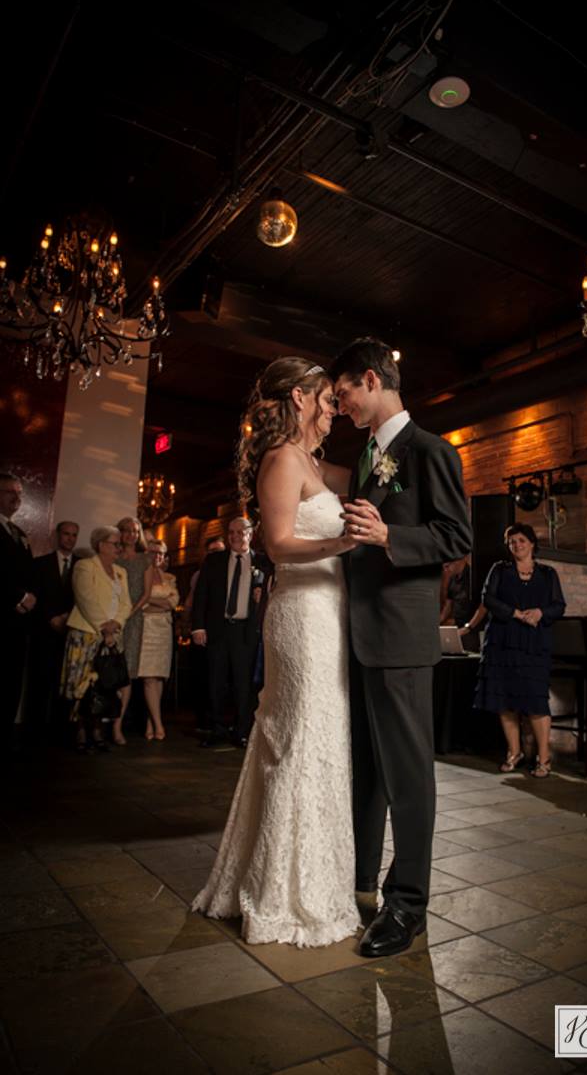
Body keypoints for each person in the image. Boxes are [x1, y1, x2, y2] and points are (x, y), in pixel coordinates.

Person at [193, 357, 361, 946]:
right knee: (298, 738)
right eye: (324, 399)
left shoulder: (309, 461)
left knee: (318, 735)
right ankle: (280, 892)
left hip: (327, 614)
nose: (331, 410)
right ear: (298, 398)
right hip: (301, 616)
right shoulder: (282, 459)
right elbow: (279, 542)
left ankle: (315, 877)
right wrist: (347, 540)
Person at [332, 337, 473, 958]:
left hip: (403, 637)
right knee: (367, 769)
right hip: (361, 635)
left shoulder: (429, 450)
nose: (340, 407)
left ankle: (407, 904)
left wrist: (390, 533)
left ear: (370, 379)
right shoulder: (366, 456)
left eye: (343, 395)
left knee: (409, 777)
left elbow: (455, 535)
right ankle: (361, 877)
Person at [473, 523, 566, 778]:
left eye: (521, 540)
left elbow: (559, 606)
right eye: (512, 542)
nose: (516, 545)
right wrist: (513, 613)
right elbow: (488, 599)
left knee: (537, 702)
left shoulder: (548, 574)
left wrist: (540, 613)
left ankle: (544, 758)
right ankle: (514, 752)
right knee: (505, 702)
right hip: (502, 643)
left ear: (532, 543)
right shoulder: (499, 570)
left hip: (535, 645)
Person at [191, 518, 264, 748]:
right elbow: (201, 595)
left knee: (244, 685)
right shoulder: (214, 560)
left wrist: (262, 598)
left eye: (240, 532)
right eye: (231, 532)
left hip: (246, 632)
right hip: (218, 630)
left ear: (250, 534)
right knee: (216, 682)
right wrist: (198, 626)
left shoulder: (262, 561)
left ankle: (242, 732)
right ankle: (217, 730)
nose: (235, 536)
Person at [61, 526, 132, 753]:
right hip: (87, 634)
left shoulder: (121, 572)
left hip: (111, 638)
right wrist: (104, 627)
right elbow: (86, 599)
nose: (119, 548)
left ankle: (97, 731)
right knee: (81, 685)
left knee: (104, 686)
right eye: (115, 543)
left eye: (120, 544)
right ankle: (80, 732)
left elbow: (126, 604)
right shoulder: (85, 566)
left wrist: (116, 625)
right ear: (101, 544)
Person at [31, 520, 79, 735]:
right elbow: (36, 596)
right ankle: (36, 729)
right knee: (41, 680)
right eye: (66, 534)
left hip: (72, 629)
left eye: (74, 535)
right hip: (45, 630)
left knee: (67, 681)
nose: (70, 538)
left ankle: (61, 730)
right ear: (58, 536)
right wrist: (51, 617)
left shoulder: (83, 565)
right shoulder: (40, 564)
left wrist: (69, 617)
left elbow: (84, 598)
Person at [0, 473, 37, 754]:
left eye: (19, 493)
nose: (16, 498)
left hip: (18, 623)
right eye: (9, 492)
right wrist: (18, 597)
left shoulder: (20, 534)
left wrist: (31, 598)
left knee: (12, 679)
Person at [136, 539, 179, 742]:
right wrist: (154, 602)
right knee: (149, 678)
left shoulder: (169, 577)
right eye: (153, 553)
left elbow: (172, 602)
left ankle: (150, 722)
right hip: (145, 629)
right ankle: (159, 723)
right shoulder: (139, 575)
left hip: (163, 631)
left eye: (161, 554)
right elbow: (138, 603)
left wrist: (148, 599)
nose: (157, 557)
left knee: (159, 676)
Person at [182, 535, 226, 730]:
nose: (217, 555)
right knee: (202, 675)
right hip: (204, 630)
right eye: (213, 551)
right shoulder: (201, 574)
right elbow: (192, 602)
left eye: (220, 551)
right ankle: (203, 719)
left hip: (224, 632)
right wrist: (190, 626)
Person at [115, 517, 148, 742]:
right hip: (110, 619)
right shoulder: (112, 557)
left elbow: (145, 593)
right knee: (108, 670)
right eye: (126, 531)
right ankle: (102, 722)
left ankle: (117, 725)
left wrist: (128, 614)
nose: (131, 535)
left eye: (135, 531)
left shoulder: (144, 560)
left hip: (133, 621)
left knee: (126, 674)